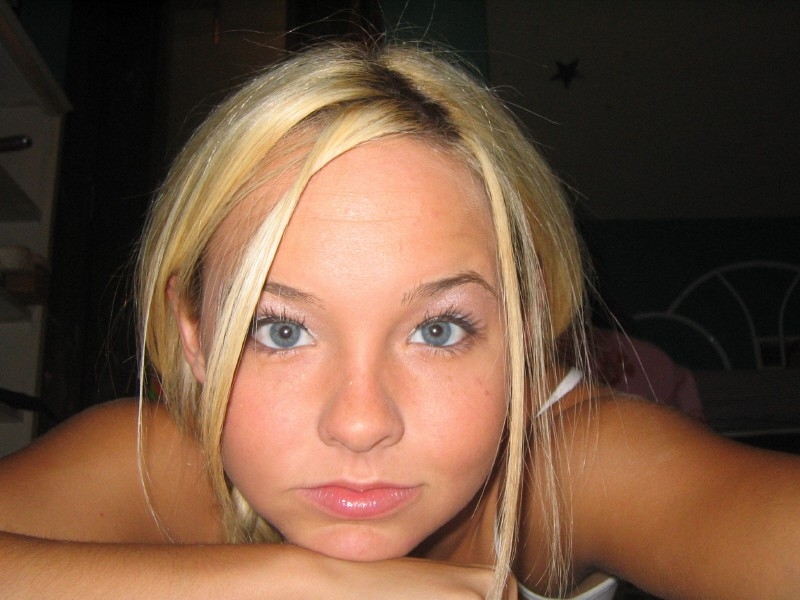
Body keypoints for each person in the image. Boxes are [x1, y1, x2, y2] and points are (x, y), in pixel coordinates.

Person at [1, 41, 799, 600]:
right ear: (195, 336)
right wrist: (292, 585)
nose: (360, 424)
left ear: (524, 331)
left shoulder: (568, 470)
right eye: (281, 330)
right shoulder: (154, 462)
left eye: (438, 330)